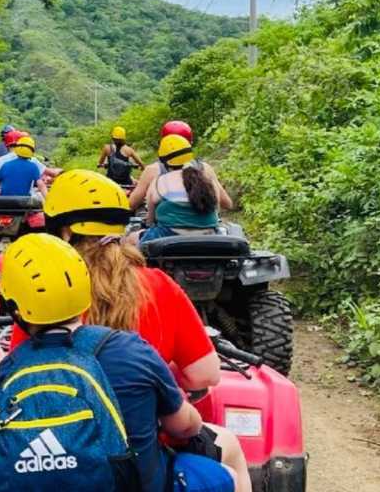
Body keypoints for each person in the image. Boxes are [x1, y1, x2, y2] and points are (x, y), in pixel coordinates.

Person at [13, 169, 251, 492]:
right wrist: (163, 379)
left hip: (56, 449)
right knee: (231, 451)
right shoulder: (157, 287)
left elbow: (19, 374)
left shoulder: (42, 297)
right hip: (145, 453)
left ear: (64, 232)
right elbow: (205, 375)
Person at [0, 233, 236, 492]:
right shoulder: (132, 349)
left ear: (15, 307)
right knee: (231, 470)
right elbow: (185, 426)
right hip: (135, 483)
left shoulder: (11, 365)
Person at [139, 135, 233, 243]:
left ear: (164, 161)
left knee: (131, 240)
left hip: (167, 237)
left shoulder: (159, 181)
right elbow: (217, 210)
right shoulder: (207, 179)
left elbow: (150, 220)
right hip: (209, 236)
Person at [129, 120, 193, 210]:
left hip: (165, 222)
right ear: (190, 144)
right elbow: (219, 200)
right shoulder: (204, 168)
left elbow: (132, 204)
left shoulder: (152, 170)